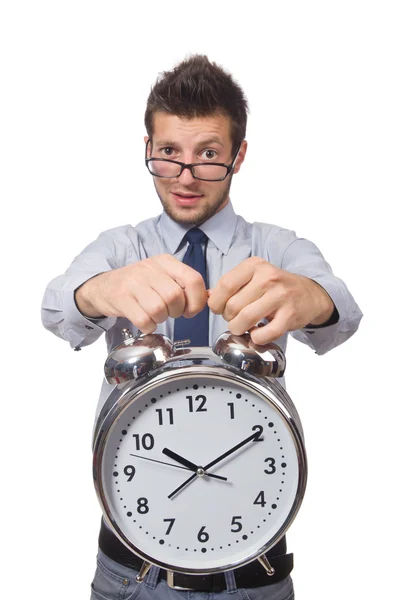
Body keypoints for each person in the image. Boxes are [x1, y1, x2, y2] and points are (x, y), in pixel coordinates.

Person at [41, 54, 362, 600]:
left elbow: (342, 310)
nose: (186, 177)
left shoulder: (276, 246)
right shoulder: (122, 247)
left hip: (254, 568)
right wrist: (100, 289)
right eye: (169, 154)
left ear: (238, 156)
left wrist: (308, 297)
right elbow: (55, 308)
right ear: (149, 149)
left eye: (208, 155)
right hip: (130, 569)